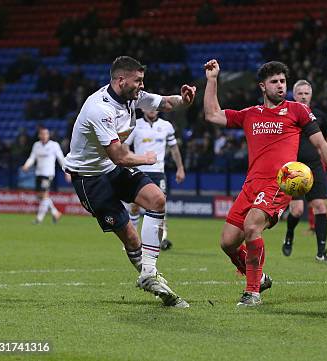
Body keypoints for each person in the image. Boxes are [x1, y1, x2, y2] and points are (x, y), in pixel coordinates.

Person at [203, 59, 327, 307]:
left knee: (252, 227)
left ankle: (252, 293)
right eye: (275, 82)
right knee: (228, 242)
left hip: (280, 184)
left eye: (283, 81)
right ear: (263, 86)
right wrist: (212, 80)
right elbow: (212, 115)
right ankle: (259, 278)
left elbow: (321, 145)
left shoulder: (298, 111)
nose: (281, 86)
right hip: (251, 184)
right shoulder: (251, 114)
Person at [63, 56, 196, 308]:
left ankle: (149, 274)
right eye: (138, 80)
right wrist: (145, 158)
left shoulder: (133, 96)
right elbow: (119, 156)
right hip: (90, 178)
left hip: (111, 169)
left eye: (142, 80)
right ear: (121, 80)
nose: (141, 86)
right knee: (132, 238)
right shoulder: (98, 108)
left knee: (157, 199)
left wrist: (184, 100)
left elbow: (166, 102)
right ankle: (149, 276)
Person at [282, 79, 327, 261]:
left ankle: (322, 252)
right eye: (300, 93)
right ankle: (289, 235)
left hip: (315, 166)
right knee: (296, 211)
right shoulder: (286, 114)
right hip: (294, 168)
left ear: (311, 95)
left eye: (306, 93)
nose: (303, 97)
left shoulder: (319, 116)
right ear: (293, 95)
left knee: (320, 207)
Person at [125, 109, 186, 250]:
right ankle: (131, 239)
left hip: (158, 172)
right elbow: (125, 146)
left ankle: (161, 239)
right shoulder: (135, 125)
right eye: (149, 106)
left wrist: (180, 167)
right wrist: (129, 161)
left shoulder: (166, 126)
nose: (152, 110)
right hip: (139, 171)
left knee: (161, 205)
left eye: (155, 107)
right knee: (134, 206)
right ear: (143, 109)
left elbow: (174, 148)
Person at [21, 127, 70, 224]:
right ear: (39, 135)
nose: (44, 136)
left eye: (45, 134)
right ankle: (55, 212)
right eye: (42, 134)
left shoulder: (54, 145)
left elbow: (61, 159)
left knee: (44, 195)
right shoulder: (36, 145)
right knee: (40, 196)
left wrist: (67, 172)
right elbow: (32, 157)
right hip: (39, 173)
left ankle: (39, 219)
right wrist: (26, 165)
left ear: (48, 135)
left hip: (48, 174)